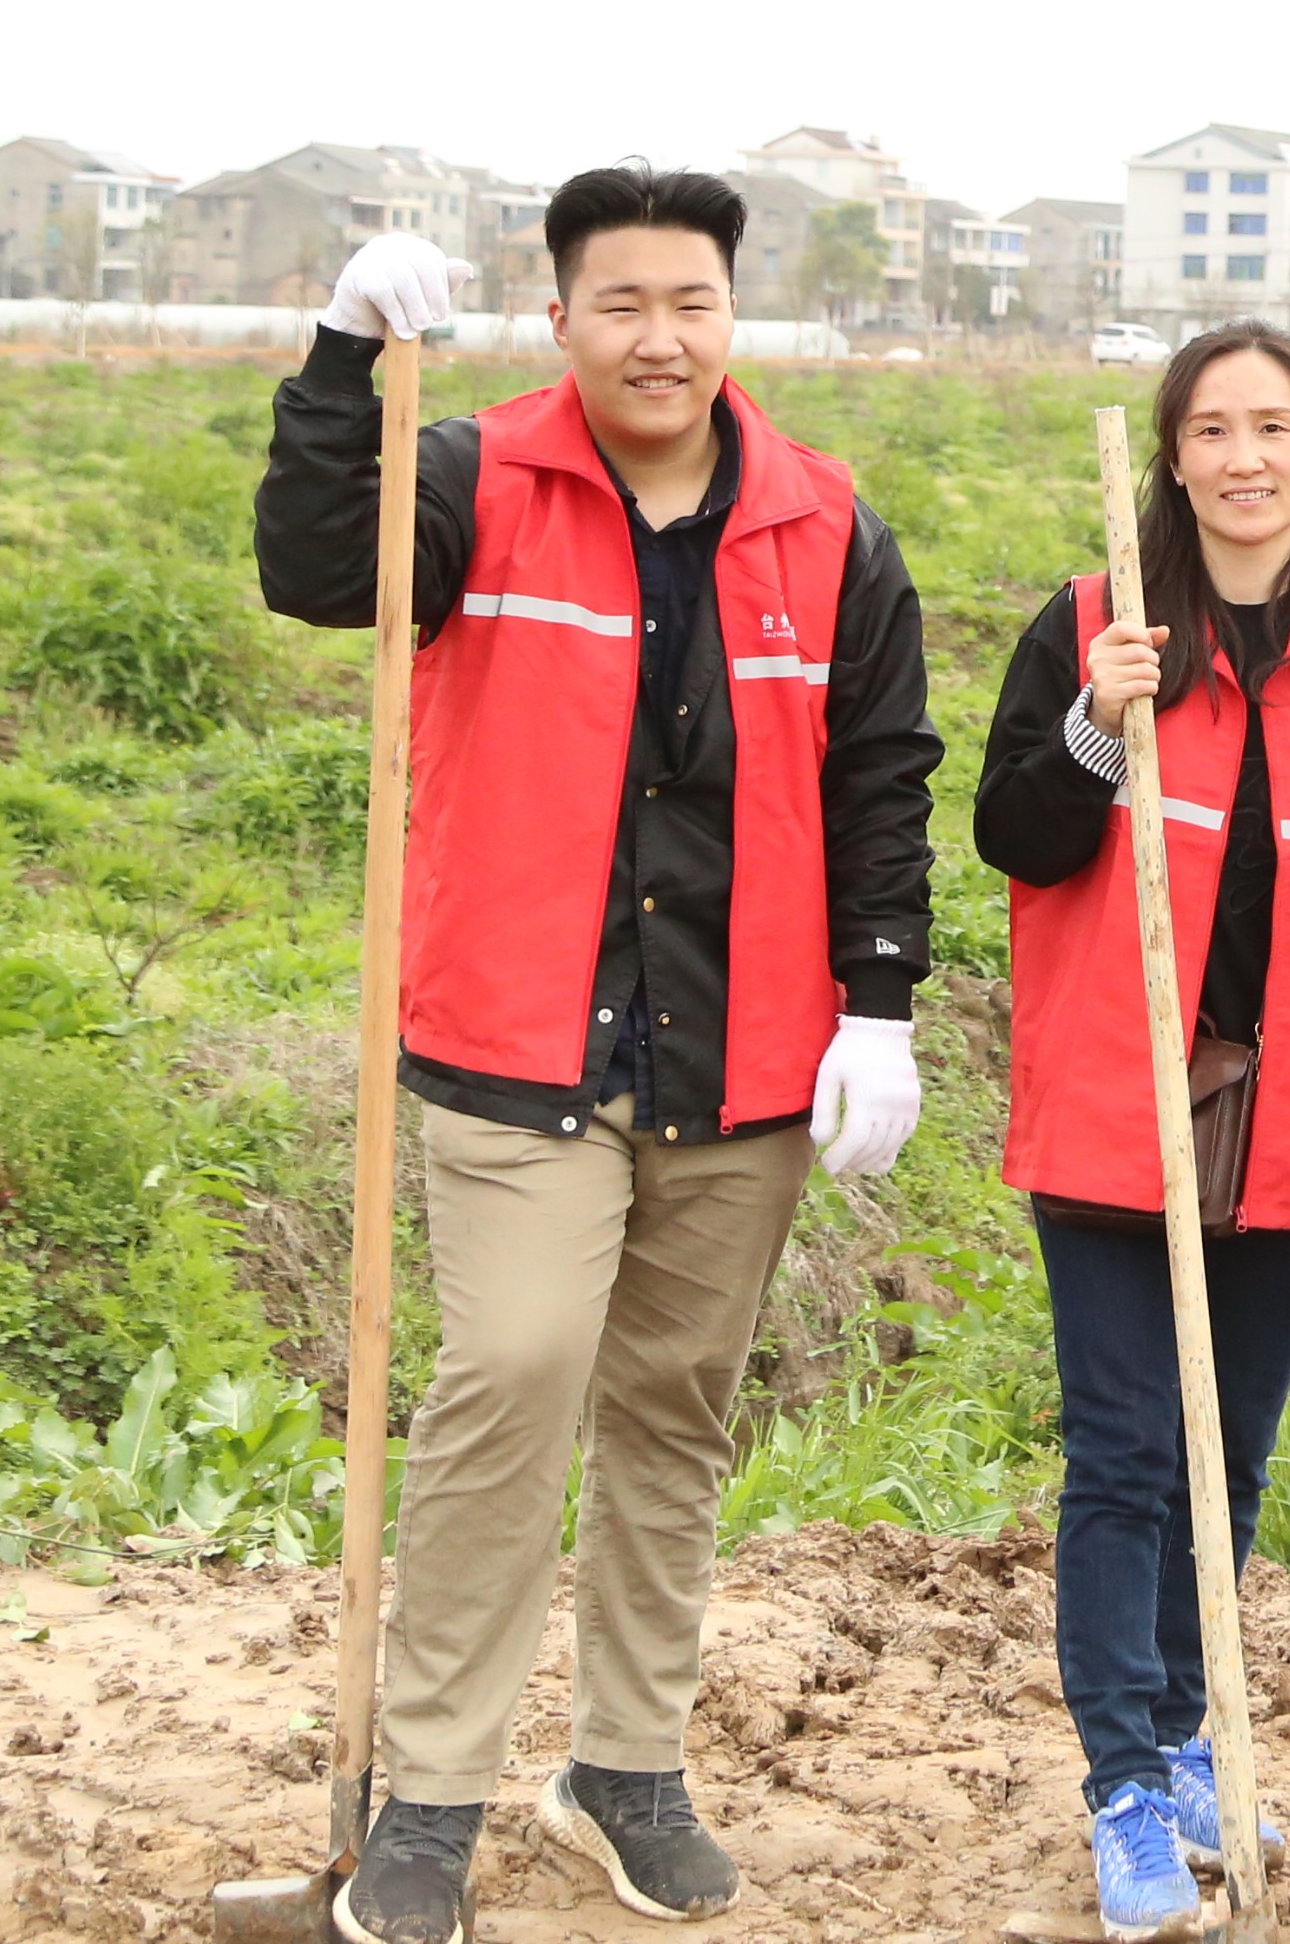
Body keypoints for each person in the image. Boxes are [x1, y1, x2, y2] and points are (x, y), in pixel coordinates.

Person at [255, 166, 941, 1944]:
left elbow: (881, 776)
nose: (660, 335)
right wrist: (340, 359)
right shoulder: (473, 478)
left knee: (674, 1406)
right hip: (519, 1039)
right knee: (512, 1371)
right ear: (561, 317)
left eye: (690, 301)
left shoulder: (827, 527)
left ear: (733, 316)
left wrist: (880, 999)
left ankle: (627, 1766)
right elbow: (316, 568)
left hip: (742, 1056)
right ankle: (430, 1794)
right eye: (621, 302)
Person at [974, 324, 1290, 1941]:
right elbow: (1014, 837)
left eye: (1273, 426)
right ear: (1173, 457)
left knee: (1227, 1456)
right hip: (1121, 1111)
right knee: (1125, 1454)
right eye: (1212, 429)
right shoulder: (1093, 627)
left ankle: (1188, 1727)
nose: (1245, 457)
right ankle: (1123, 1781)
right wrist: (1095, 722)